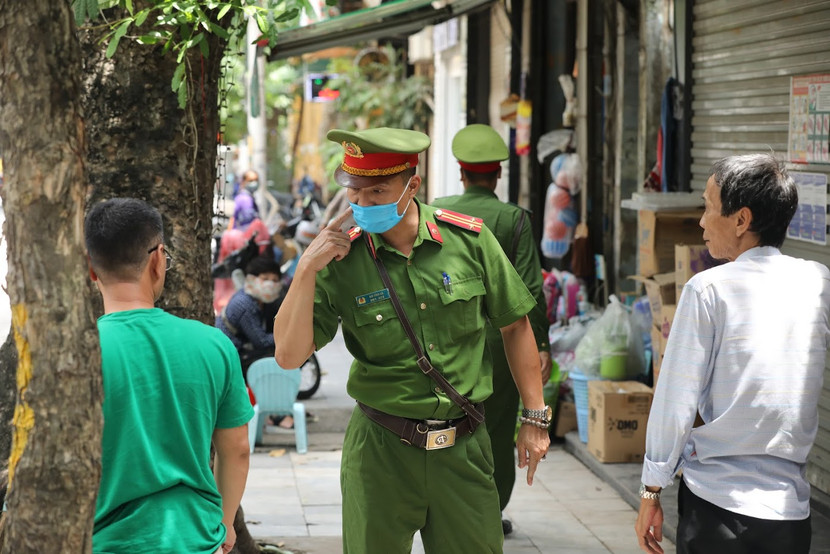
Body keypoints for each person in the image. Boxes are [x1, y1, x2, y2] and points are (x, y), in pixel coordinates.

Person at [273, 127, 551, 553]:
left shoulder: (470, 241)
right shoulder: (339, 259)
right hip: (380, 452)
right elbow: (290, 356)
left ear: (413, 185)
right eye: (356, 193)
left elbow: (516, 326)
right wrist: (306, 269)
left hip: (464, 447)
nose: (363, 205)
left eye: (378, 192)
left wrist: (534, 417)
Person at [634, 153, 830, 554]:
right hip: (790, 517)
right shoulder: (817, 281)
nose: (702, 221)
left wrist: (651, 490)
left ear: (741, 220)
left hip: (716, 510)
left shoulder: (708, 289)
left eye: (708, 208)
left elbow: (676, 400)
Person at [86, 198, 253, 554]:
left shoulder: (75, 356)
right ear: (158, 260)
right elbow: (237, 450)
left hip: (102, 543)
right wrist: (224, 524)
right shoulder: (213, 344)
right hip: (195, 538)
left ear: (91, 268)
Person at [431, 123, 552, 536]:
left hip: (445, 343)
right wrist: (542, 347)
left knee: (443, 423)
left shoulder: (436, 211)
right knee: (497, 430)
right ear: (497, 174)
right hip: (502, 347)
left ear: (461, 171)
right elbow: (529, 291)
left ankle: (442, 506)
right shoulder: (514, 219)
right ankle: (488, 512)